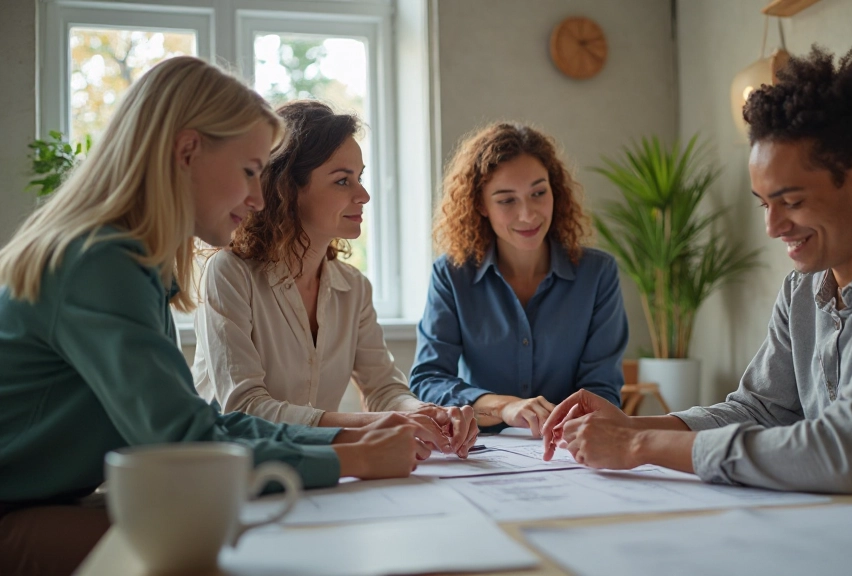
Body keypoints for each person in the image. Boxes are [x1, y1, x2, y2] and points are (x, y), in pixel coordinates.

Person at [541, 41, 852, 525]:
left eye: (790, 201)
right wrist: (630, 423)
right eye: (764, 204)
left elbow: (847, 451)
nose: (773, 228)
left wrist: (641, 444)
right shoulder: (804, 288)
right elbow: (762, 408)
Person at [0, 57, 427, 575]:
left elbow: (202, 425)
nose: (258, 196)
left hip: (49, 502)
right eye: (250, 171)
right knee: (247, 553)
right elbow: (184, 442)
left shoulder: (134, 264)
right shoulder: (96, 263)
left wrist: (344, 438)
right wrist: (349, 458)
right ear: (187, 152)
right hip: (17, 515)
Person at [192, 100, 477, 457]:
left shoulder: (353, 287)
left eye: (360, 178)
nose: (364, 195)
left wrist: (423, 413)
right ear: (288, 187)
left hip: (315, 467)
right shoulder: (229, 273)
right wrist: (372, 425)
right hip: (229, 472)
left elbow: (383, 389)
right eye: (343, 181)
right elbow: (245, 407)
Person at [409, 122, 629, 436]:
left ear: (556, 192)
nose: (527, 214)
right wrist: (504, 407)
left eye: (538, 193)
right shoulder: (451, 275)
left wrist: (565, 425)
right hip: (481, 453)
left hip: (568, 450)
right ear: (481, 206)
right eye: (507, 200)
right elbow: (428, 380)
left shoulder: (598, 274)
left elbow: (602, 388)